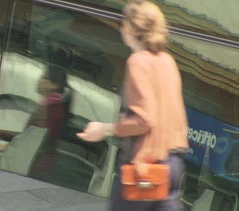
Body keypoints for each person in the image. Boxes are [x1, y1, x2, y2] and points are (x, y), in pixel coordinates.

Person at [77, 1, 188, 210]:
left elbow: (145, 120)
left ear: (129, 28)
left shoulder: (138, 61)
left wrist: (105, 129)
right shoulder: (167, 61)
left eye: (123, 23)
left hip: (146, 168)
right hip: (172, 164)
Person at [0, 65, 69, 174]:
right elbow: (27, 137)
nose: (40, 80)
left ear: (54, 85)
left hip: (30, 169)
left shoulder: (53, 110)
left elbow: (34, 145)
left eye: (44, 78)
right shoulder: (50, 106)